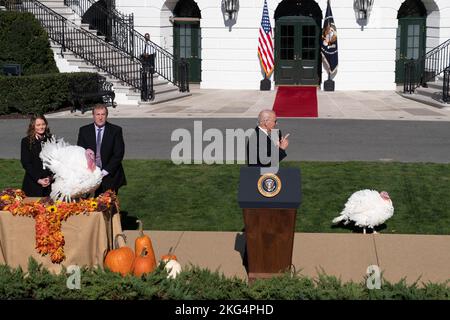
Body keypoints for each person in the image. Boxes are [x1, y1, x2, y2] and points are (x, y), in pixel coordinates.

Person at [77, 104, 126, 196]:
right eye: (97, 114)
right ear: (93, 116)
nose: (100, 117)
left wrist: (104, 172)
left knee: (108, 204)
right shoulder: (84, 131)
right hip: (90, 175)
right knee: (89, 205)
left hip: (109, 174)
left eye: (103, 114)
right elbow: (80, 152)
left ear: (106, 116)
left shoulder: (115, 131)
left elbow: (118, 154)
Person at [20, 115, 53, 197]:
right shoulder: (26, 141)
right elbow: (26, 163)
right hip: (33, 184)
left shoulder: (52, 139)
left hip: (50, 184)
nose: (41, 127)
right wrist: (38, 179)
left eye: (43, 124)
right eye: (38, 125)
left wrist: (50, 177)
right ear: (33, 126)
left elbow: (57, 161)